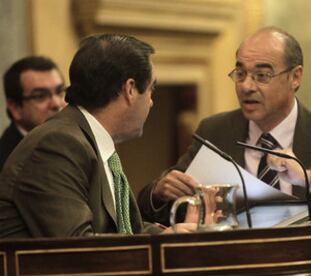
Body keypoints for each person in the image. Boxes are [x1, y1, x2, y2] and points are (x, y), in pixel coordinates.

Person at [138, 26, 311, 225]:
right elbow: (155, 205)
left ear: (295, 77)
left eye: (262, 75)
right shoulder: (215, 131)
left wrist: (309, 177)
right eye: (240, 73)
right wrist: (159, 192)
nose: (246, 86)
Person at [0, 34, 194, 238]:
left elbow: (126, 230)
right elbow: (79, 247)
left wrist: (170, 235)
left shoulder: (91, 142)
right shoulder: (57, 145)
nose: (151, 102)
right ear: (129, 89)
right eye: (150, 89)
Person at [0, 56, 66, 171]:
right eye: (40, 96)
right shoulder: (7, 163)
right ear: (15, 108)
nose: (56, 103)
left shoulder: (78, 140)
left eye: (60, 92)